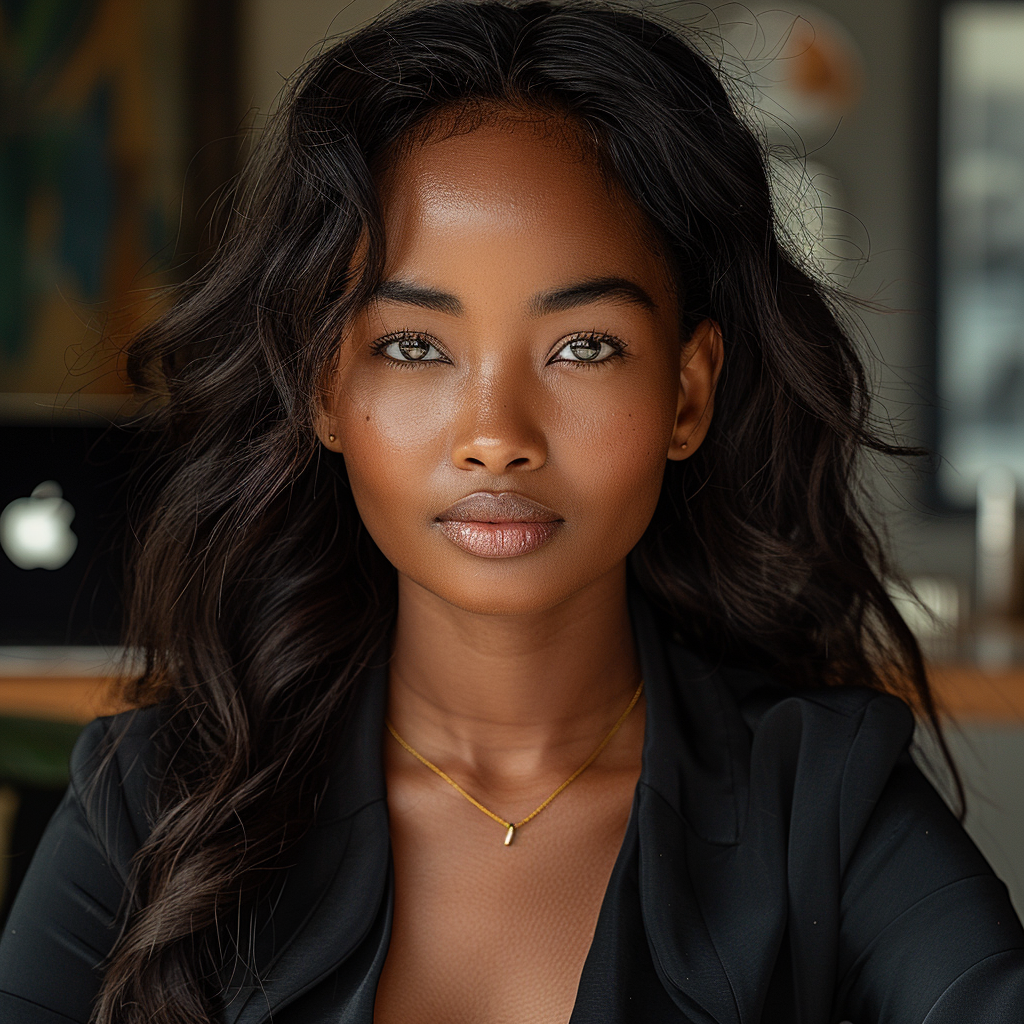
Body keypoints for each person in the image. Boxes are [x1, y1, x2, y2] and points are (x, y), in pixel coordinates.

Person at [2, 0, 1023, 1021]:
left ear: (687, 392)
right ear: (321, 388)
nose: (496, 433)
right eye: (413, 345)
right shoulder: (154, 796)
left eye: (583, 345)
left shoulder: (818, 803)